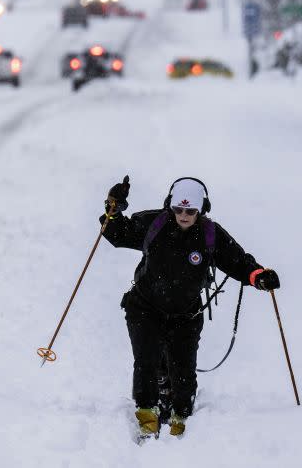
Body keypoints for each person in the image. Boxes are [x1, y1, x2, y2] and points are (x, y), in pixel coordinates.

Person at [100, 176, 280, 439]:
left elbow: (238, 262)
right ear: (170, 206)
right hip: (145, 308)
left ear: (202, 209)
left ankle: (180, 418)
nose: (184, 215)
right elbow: (116, 233)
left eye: (191, 211)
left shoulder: (210, 234)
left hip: (186, 315)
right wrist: (113, 208)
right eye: (178, 210)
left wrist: (258, 276)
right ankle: (147, 417)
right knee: (146, 361)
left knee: (183, 369)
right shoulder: (155, 223)